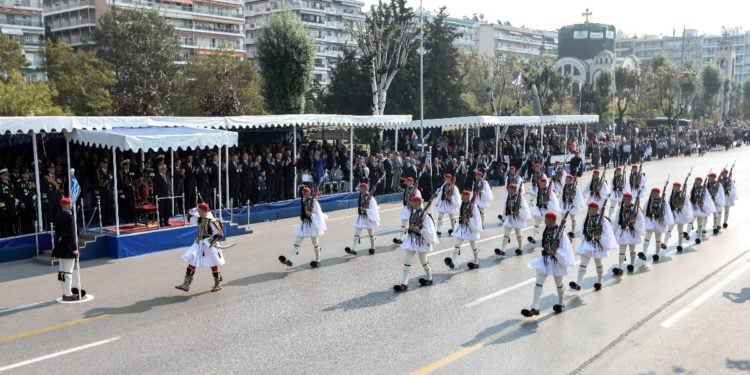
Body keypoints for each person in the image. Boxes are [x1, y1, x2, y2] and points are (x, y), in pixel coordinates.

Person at [523, 212, 575, 316]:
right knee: (539, 283)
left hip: (557, 261)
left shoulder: (561, 233)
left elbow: (566, 249)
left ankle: (561, 302)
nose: (544, 221)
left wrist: (556, 253)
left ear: (552, 220)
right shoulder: (547, 230)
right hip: (546, 260)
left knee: (559, 284)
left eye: (546, 219)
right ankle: (535, 307)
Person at [175, 203, 225, 292]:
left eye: (199, 210)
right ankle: (186, 285)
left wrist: (210, 241)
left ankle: (217, 283)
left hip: (209, 245)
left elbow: (220, 233)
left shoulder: (212, 221)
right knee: (192, 262)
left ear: (203, 211)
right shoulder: (199, 218)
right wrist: (194, 209)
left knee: (213, 263)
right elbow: (189, 217)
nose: (197, 212)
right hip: (199, 244)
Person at [394, 196, 439, 292]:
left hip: (421, 241)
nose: (411, 204)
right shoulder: (414, 214)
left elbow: (431, 231)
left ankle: (429, 278)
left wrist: (420, 230)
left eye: (413, 202)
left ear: (418, 202)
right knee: (407, 260)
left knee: (423, 261)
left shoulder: (426, 216)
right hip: (412, 241)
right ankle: (404, 283)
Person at [569, 202, 617, 292]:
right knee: (583, 264)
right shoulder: (586, 218)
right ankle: (578, 283)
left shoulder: (603, 220)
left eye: (592, 209)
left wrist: (600, 238)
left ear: (596, 209)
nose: (590, 210)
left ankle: (600, 281)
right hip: (587, 244)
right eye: (589, 208)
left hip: (598, 245)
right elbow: (583, 230)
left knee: (598, 264)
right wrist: (586, 238)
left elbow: (607, 233)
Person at [279, 186, 328, 268]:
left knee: (315, 243)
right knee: (297, 242)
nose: (304, 195)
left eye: (305, 193)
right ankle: (290, 260)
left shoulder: (314, 202)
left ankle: (318, 260)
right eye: (303, 193)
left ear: (309, 193)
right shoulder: (303, 200)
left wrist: (311, 215)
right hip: (304, 224)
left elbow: (319, 214)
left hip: (312, 224)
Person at [445, 190, 483, 270]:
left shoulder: (474, 206)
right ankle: (453, 261)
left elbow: (477, 219)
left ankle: (476, 262)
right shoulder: (463, 204)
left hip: (471, 228)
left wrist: (469, 221)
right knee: (457, 243)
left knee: (473, 246)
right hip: (463, 228)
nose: (461, 197)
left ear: (467, 197)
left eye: (463, 196)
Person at [53, 197, 81, 301]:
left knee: (62, 270)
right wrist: (74, 248)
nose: (71, 205)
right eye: (69, 203)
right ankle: (68, 294)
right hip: (68, 245)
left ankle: (64, 292)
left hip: (60, 244)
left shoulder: (58, 215)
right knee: (68, 271)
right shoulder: (69, 217)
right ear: (65, 205)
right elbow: (72, 234)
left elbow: (57, 232)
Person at [611, 192, 645, 275]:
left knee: (632, 250)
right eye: (625, 198)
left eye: (627, 198)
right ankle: (620, 267)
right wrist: (613, 233)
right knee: (622, 250)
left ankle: (632, 264)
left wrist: (634, 222)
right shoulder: (620, 209)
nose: (626, 200)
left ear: (631, 199)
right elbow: (616, 221)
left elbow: (641, 221)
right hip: (622, 231)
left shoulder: (636, 209)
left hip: (632, 231)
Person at [495, 183, 531, 257]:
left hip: (517, 218)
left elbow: (525, 209)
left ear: (514, 190)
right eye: (508, 189)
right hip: (509, 218)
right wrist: (504, 218)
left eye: (510, 189)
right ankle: (503, 250)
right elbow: (505, 208)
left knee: (518, 234)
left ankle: (520, 248)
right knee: (506, 235)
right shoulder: (508, 197)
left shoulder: (520, 198)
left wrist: (518, 212)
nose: (508, 190)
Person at [345, 183, 380, 256]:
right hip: (361, 217)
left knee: (371, 233)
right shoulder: (360, 196)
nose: (359, 189)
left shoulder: (371, 198)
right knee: (357, 233)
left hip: (368, 217)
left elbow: (374, 210)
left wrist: (366, 210)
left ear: (364, 189)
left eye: (361, 188)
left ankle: (372, 247)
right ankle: (354, 249)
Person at [640, 187, 674, 262]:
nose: (654, 194)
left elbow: (667, 212)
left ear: (658, 194)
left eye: (656, 193)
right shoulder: (648, 201)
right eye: (653, 193)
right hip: (650, 221)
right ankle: (644, 253)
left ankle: (657, 254)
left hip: (659, 222)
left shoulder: (663, 202)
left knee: (658, 240)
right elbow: (645, 212)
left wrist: (664, 219)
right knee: (647, 238)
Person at [528, 177, 560, 246]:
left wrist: (547, 203)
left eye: (543, 182)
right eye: (541, 182)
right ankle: (534, 237)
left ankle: (552, 238)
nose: (541, 184)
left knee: (549, 225)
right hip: (539, 209)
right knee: (536, 223)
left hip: (547, 210)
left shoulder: (550, 192)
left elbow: (554, 202)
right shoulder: (539, 190)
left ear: (545, 183)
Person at [664, 182, 693, 253]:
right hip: (673, 213)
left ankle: (680, 244)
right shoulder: (671, 194)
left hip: (680, 214)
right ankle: (665, 243)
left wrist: (682, 207)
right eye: (675, 186)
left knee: (680, 231)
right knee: (669, 229)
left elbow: (687, 205)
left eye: (677, 187)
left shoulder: (683, 195)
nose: (676, 188)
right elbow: (669, 203)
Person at [393, 177, 421, 244]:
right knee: (403, 224)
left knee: (413, 224)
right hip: (406, 208)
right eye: (407, 181)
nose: (407, 183)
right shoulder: (406, 189)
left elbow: (419, 200)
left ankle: (412, 238)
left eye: (409, 181)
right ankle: (401, 238)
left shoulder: (416, 190)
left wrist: (414, 206)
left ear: (412, 182)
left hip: (413, 208)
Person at [689, 177, 715, 244]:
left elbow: (707, 198)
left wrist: (703, 204)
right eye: (696, 181)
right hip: (694, 208)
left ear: (701, 182)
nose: (697, 182)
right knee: (690, 221)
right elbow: (690, 198)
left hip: (700, 208)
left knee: (699, 224)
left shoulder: (704, 189)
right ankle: (687, 233)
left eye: (698, 181)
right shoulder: (693, 189)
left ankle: (698, 237)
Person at [15, 168, 36, 234]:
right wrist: (21, 202)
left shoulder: (31, 181)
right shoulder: (19, 182)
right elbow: (18, 193)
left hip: (31, 203)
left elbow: (34, 191)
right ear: (22, 174)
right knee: (25, 219)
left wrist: (35, 201)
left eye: (28, 173)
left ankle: (32, 231)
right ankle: (26, 232)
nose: (27, 175)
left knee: (32, 218)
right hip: (24, 204)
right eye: (25, 173)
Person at [0, 168, 18, 237]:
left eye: (7, 175)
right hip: (4, 206)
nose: (7, 176)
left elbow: (12, 194)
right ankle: (5, 236)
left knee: (11, 221)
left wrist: (15, 200)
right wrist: (3, 207)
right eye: (5, 175)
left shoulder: (10, 184)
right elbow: (0, 197)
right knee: (4, 222)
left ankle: (11, 234)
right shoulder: (0, 185)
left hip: (11, 206)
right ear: (1, 176)